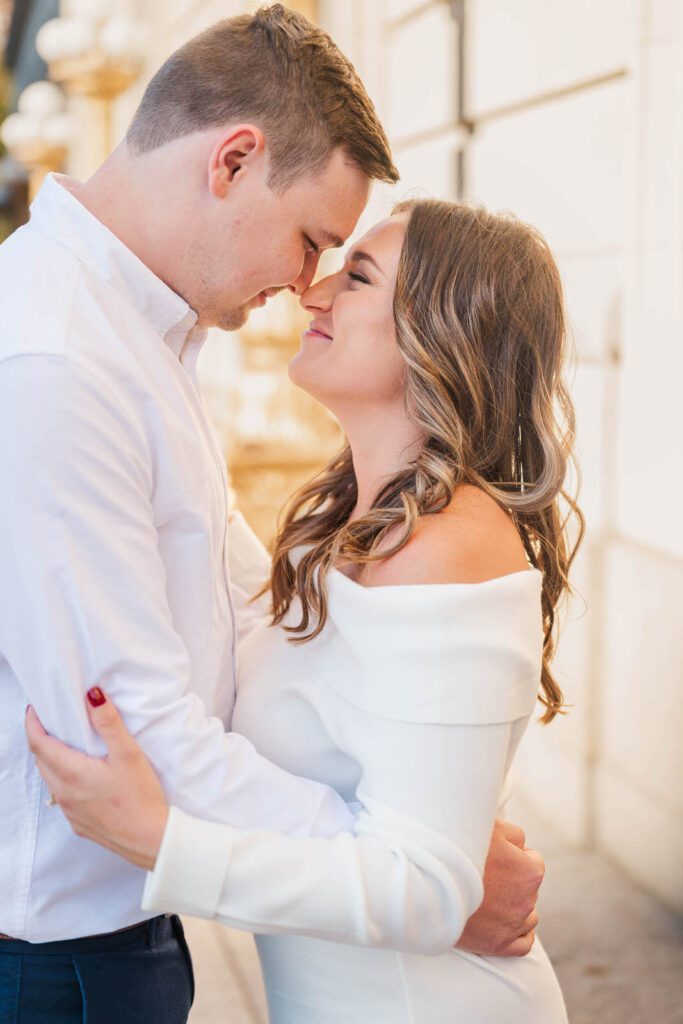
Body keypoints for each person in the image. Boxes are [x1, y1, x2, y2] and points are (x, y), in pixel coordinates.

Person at [0, 6, 544, 1023]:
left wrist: (425, 870)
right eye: (312, 239)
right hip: (62, 955)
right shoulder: (60, 358)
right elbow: (129, 737)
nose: (305, 284)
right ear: (233, 161)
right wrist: (428, 879)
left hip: (145, 929)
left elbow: (247, 604)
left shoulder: (140, 332)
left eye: (342, 260)